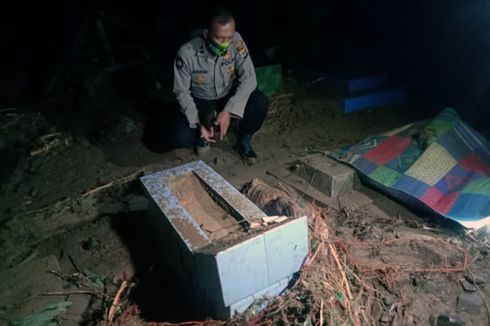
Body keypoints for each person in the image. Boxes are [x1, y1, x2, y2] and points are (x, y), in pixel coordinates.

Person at [170, 7, 269, 159]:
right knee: (178, 138)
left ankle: (244, 137)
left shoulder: (236, 41)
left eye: (229, 37)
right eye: (219, 38)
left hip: (226, 94)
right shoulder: (187, 53)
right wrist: (198, 122)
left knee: (260, 102)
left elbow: (249, 79)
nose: (225, 43)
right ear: (206, 33)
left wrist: (229, 109)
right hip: (201, 100)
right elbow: (181, 92)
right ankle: (202, 134)